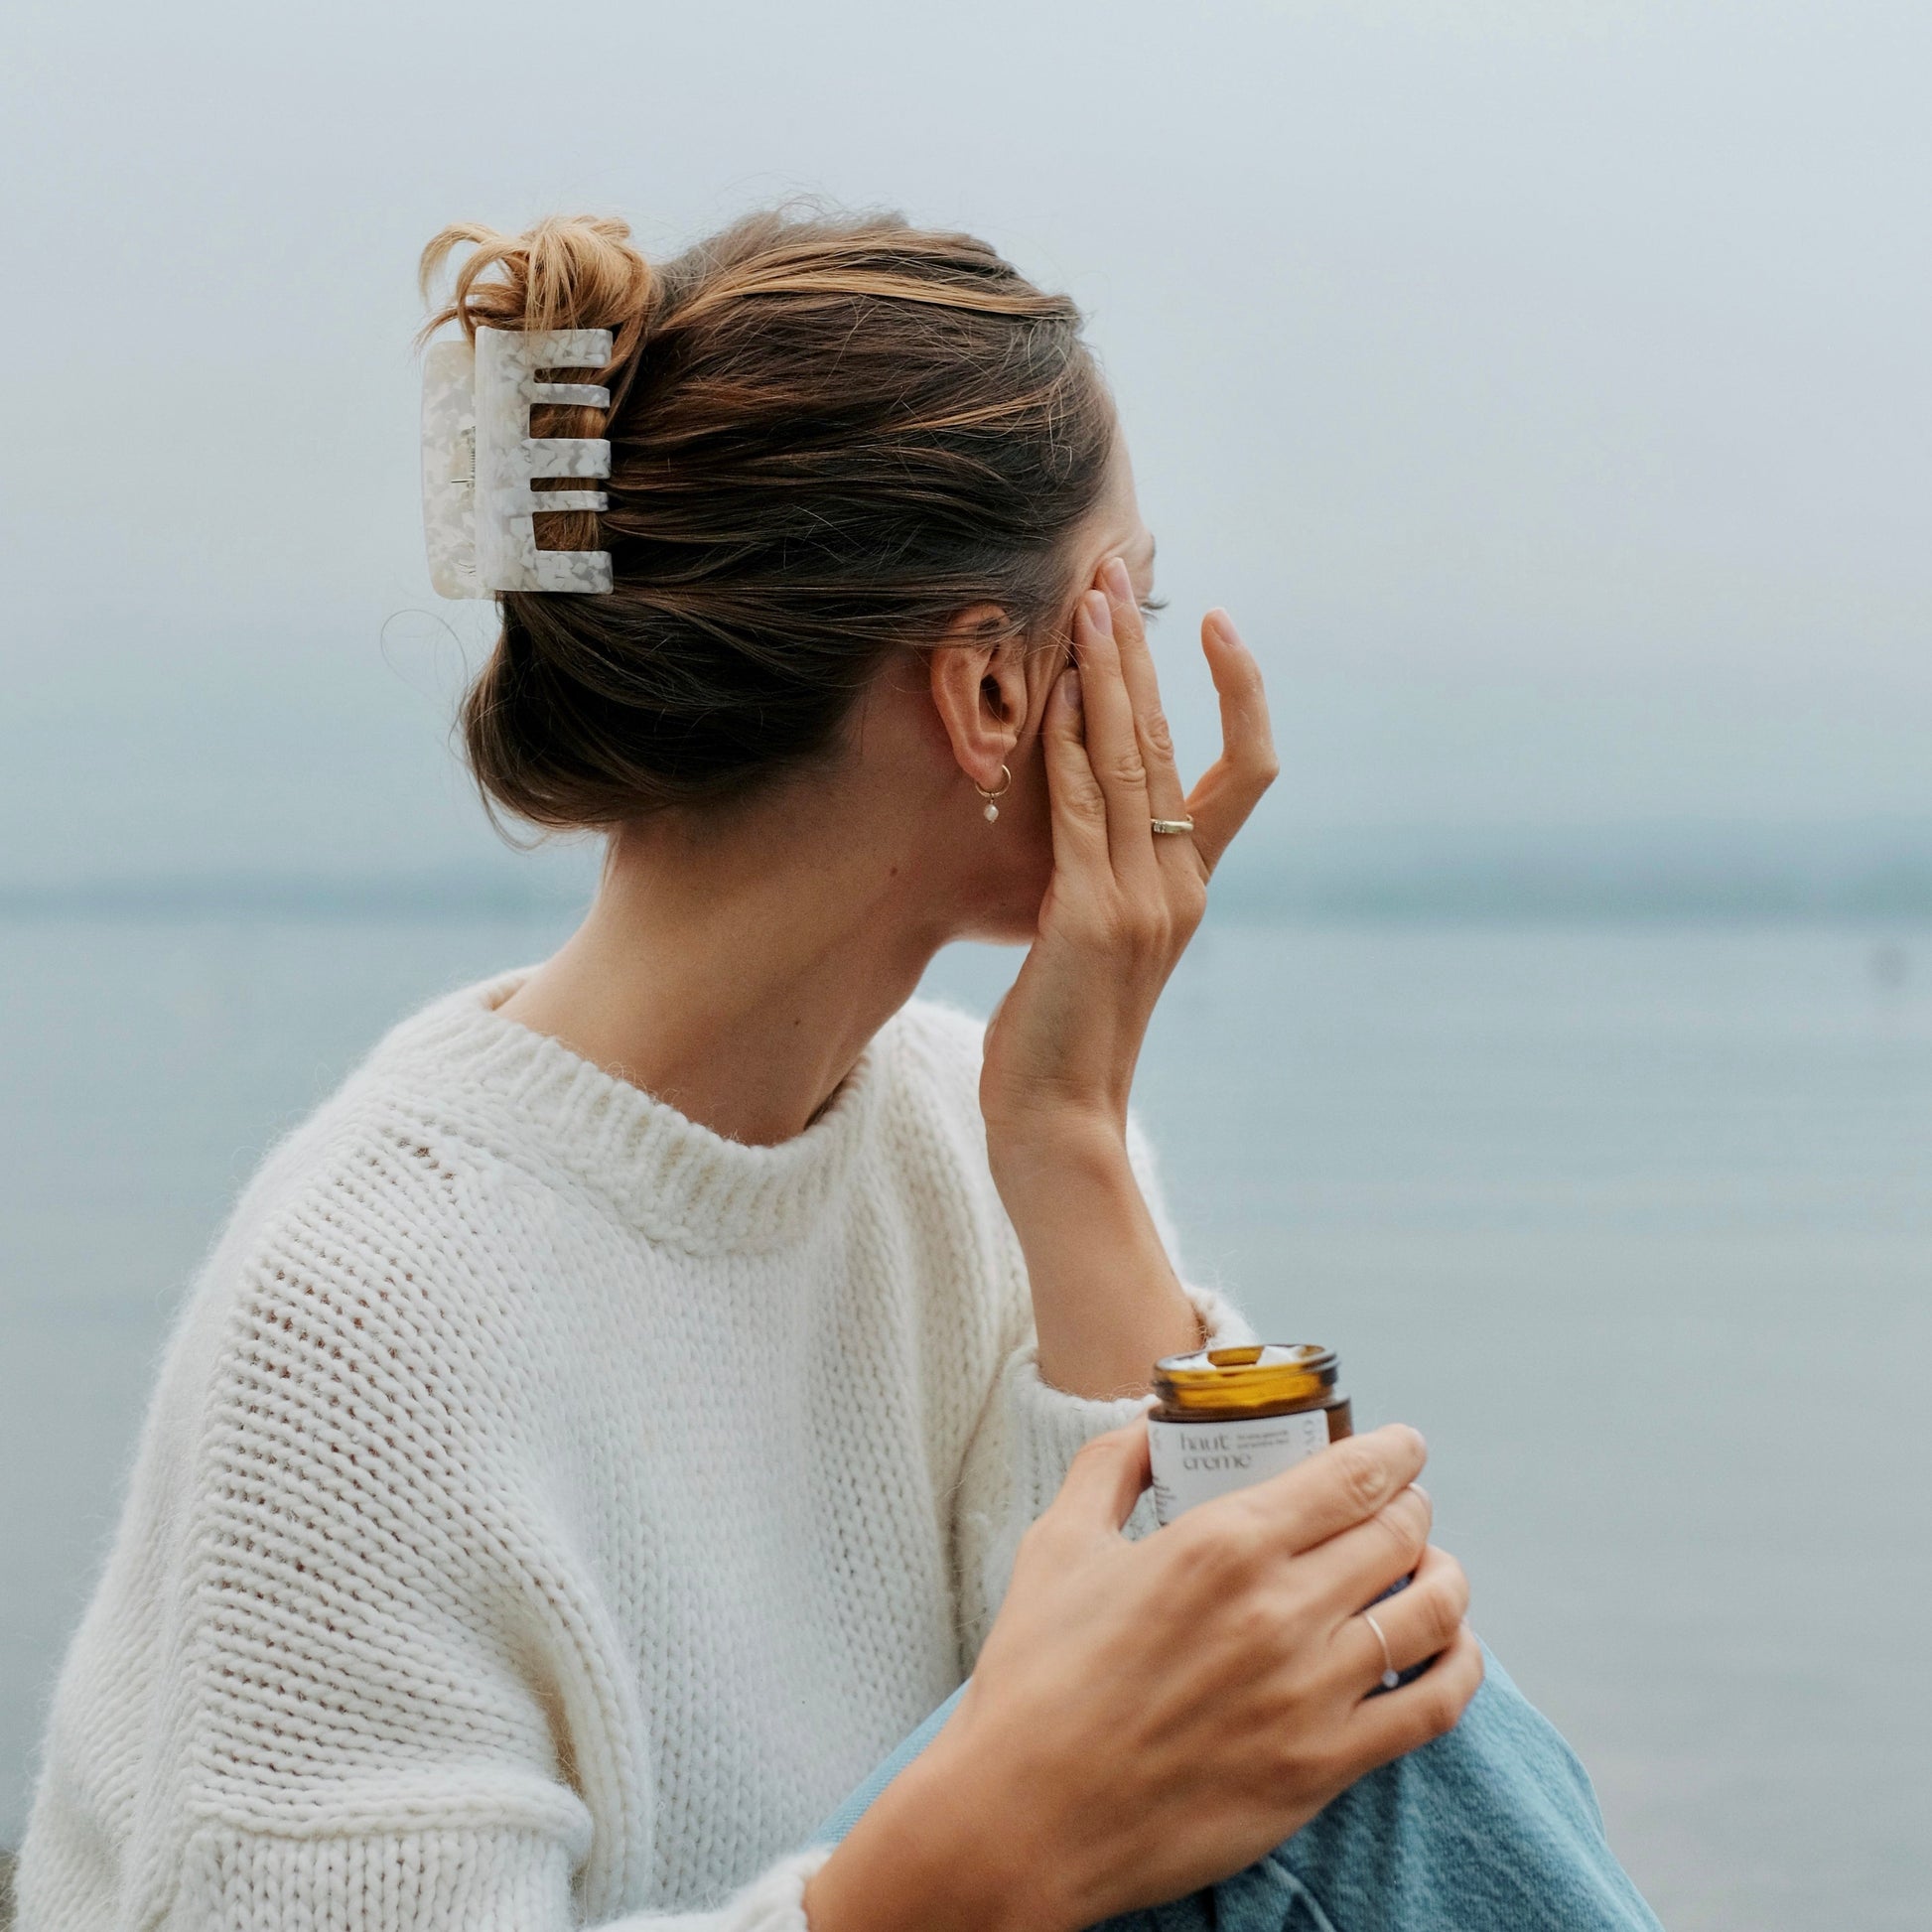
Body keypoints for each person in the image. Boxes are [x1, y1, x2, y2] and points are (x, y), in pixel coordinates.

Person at [14, 207, 1659, 1932]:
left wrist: (1070, 1131)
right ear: (992, 689)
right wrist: (934, 1881)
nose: (1161, 676)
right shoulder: (370, 1320)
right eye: (1134, 603)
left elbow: (1253, 1720)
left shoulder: (972, 1140)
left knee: (1333, 1681)